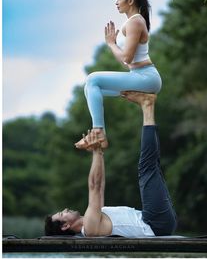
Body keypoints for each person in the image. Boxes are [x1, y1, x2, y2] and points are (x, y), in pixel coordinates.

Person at [45, 91, 177, 237]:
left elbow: (100, 187)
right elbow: (94, 186)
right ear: (65, 226)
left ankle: (147, 105)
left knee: (152, 166)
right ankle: (147, 105)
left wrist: (99, 151)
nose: (65, 209)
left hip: (155, 220)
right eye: (61, 214)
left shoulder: (94, 217)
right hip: (155, 223)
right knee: (146, 168)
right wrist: (95, 151)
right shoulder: (90, 228)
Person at [75, 0, 162, 149]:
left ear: (130, 0)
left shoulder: (135, 22)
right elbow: (126, 61)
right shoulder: (134, 22)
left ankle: (98, 132)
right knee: (91, 88)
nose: (116, 2)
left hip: (146, 77)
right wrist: (113, 44)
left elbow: (127, 58)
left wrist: (111, 44)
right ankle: (97, 135)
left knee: (93, 78)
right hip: (141, 76)